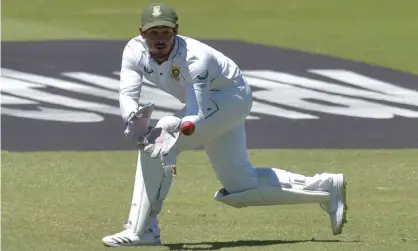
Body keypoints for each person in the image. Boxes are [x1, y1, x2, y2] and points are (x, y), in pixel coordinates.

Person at [101, 2, 347, 247]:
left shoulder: (195, 57)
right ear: (141, 32)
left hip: (229, 99)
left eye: (166, 32)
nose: (160, 39)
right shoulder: (133, 50)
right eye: (153, 33)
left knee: (157, 144)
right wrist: (132, 119)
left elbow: (197, 113)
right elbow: (128, 93)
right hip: (220, 103)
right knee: (241, 185)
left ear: (176, 30)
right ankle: (326, 187)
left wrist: (171, 126)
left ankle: (142, 229)